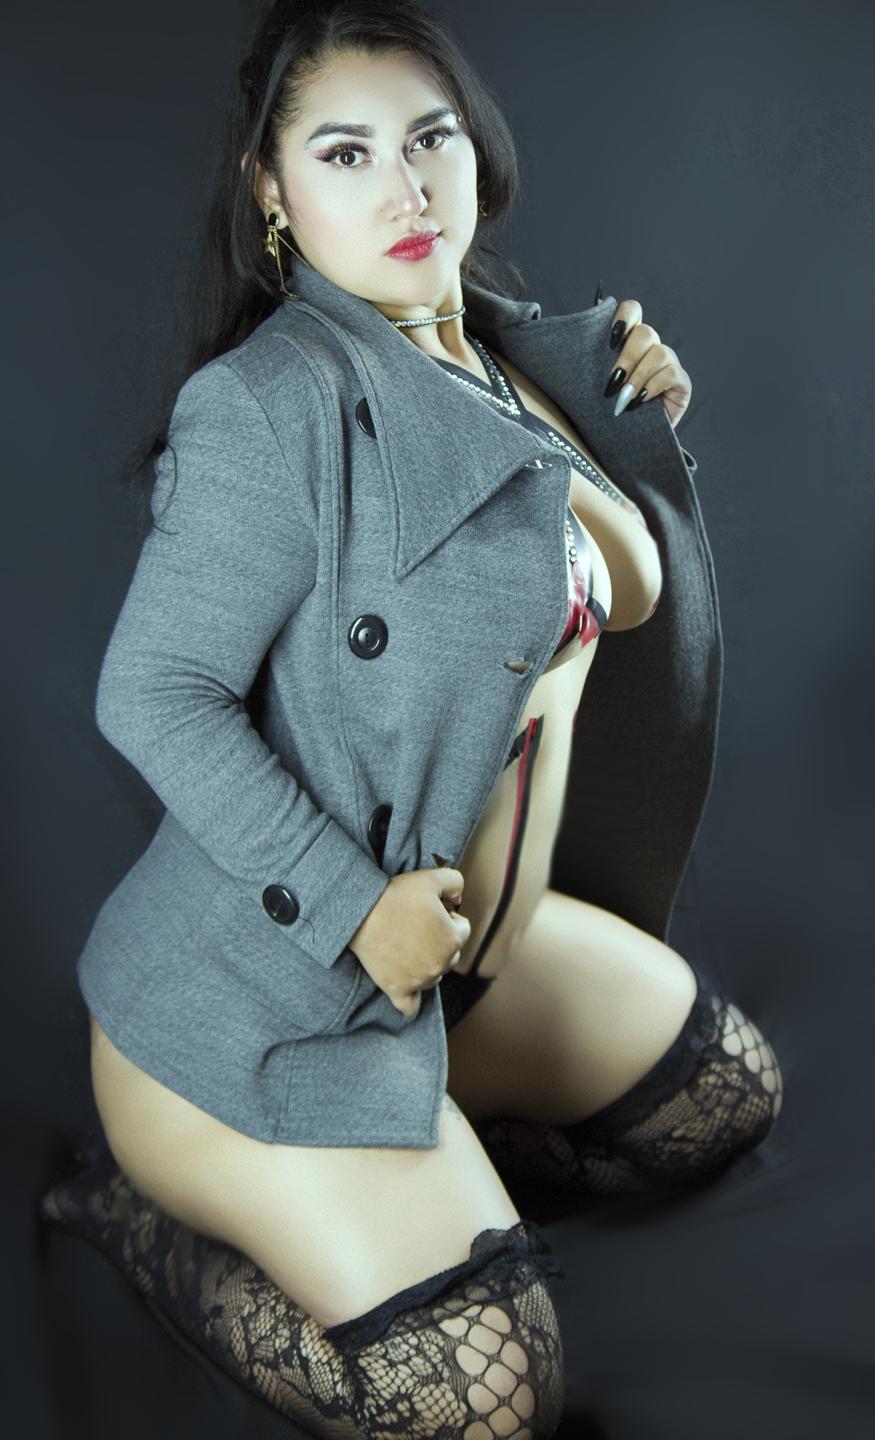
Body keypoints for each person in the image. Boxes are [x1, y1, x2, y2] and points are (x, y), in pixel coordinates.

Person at [39, 2, 784, 1436]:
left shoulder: (500, 356)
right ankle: (137, 1216)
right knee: (486, 1398)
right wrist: (352, 905)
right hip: (284, 1001)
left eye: (429, 138)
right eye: (346, 152)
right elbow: (151, 692)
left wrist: (626, 426)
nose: (406, 188)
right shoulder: (270, 407)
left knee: (725, 1098)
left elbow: (622, 599)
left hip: (465, 975)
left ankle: (436, 1163)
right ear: (271, 190)